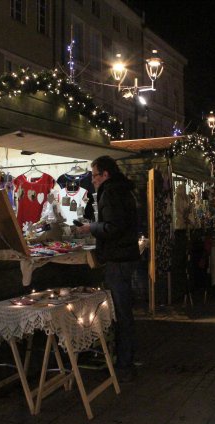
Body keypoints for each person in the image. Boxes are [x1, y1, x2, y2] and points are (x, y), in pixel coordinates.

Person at [76, 156, 140, 381]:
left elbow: (114, 226)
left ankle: (124, 365)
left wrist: (90, 228)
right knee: (123, 311)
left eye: (94, 175)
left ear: (105, 175)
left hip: (118, 258)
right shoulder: (123, 189)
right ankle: (123, 360)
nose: (91, 180)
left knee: (121, 312)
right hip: (125, 255)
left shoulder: (111, 192)